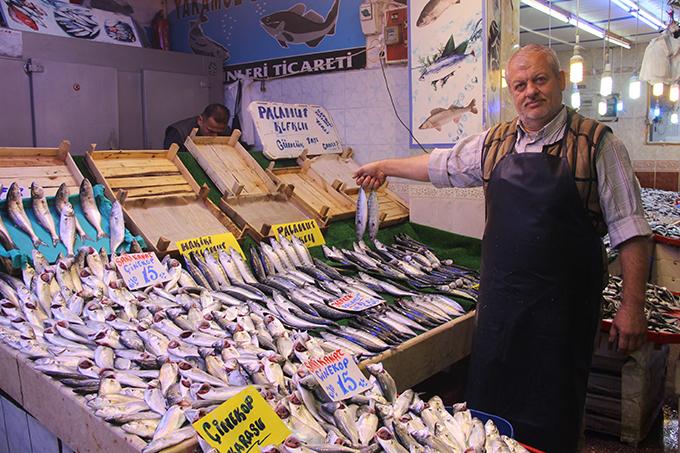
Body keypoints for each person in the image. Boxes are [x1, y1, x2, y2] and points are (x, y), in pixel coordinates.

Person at [354, 44, 652, 452]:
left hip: (562, 321)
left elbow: (631, 231)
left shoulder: (598, 145)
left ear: (560, 82)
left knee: (555, 422)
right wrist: (383, 167)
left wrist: (632, 305)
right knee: (487, 425)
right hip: (500, 316)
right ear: (511, 92)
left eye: (540, 80)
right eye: (520, 84)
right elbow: (437, 166)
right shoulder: (493, 144)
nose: (530, 91)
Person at [163, 103, 230, 152]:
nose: (215, 135)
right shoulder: (178, 133)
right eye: (210, 131)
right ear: (200, 120)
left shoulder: (227, 132)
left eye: (219, 132)